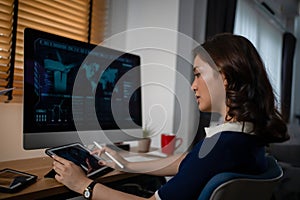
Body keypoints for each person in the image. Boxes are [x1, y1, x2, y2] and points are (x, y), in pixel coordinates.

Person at [51, 33, 290, 200]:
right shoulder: (246, 137)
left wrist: (83, 186)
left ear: (224, 76)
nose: (192, 85)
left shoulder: (222, 146)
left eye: (198, 74)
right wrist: (123, 163)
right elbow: (186, 163)